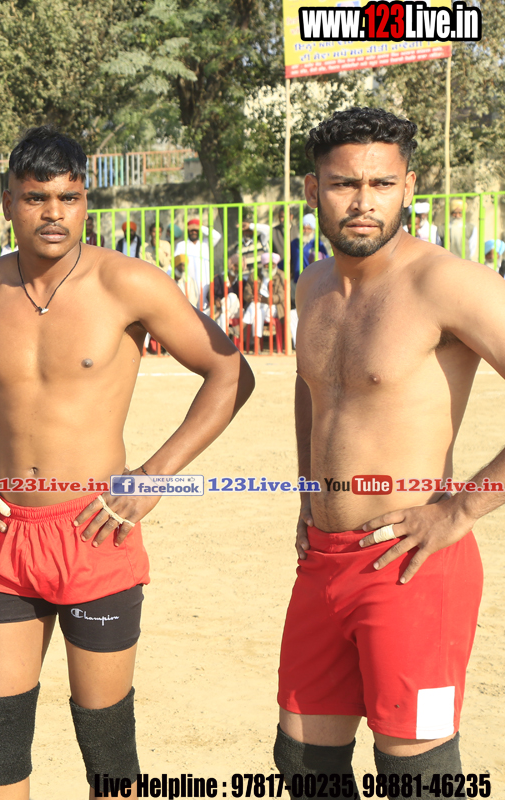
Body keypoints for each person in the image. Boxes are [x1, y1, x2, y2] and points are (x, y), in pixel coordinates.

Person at [0, 125, 253, 800]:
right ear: (7, 202)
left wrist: (155, 475)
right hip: (5, 534)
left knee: (107, 747)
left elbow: (230, 372)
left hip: (95, 530)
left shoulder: (126, 283)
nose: (53, 213)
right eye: (36, 198)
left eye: (68, 198)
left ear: (85, 202)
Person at [276, 107, 505, 795]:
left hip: (412, 563)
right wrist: (308, 491)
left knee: (416, 777)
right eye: (345, 184)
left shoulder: (448, 283)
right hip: (323, 559)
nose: (363, 202)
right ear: (313, 190)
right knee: (303, 765)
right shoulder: (313, 285)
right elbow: (312, 389)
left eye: (381, 184)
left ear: (409, 186)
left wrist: (460, 510)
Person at [173, 216, 223, 302]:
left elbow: (217, 236)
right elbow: (175, 263)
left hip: (204, 281)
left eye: (196, 230)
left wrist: (201, 227)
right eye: (191, 230)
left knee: (204, 304)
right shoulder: (181, 245)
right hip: (188, 281)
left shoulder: (206, 243)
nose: (194, 232)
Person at [289, 213, 330, 281]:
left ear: (313, 230)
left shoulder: (317, 243)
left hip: (312, 280)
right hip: (297, 280)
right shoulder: (294, 243)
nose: (306, 231)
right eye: (303, 228)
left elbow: (326, 259)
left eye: (309, 228)